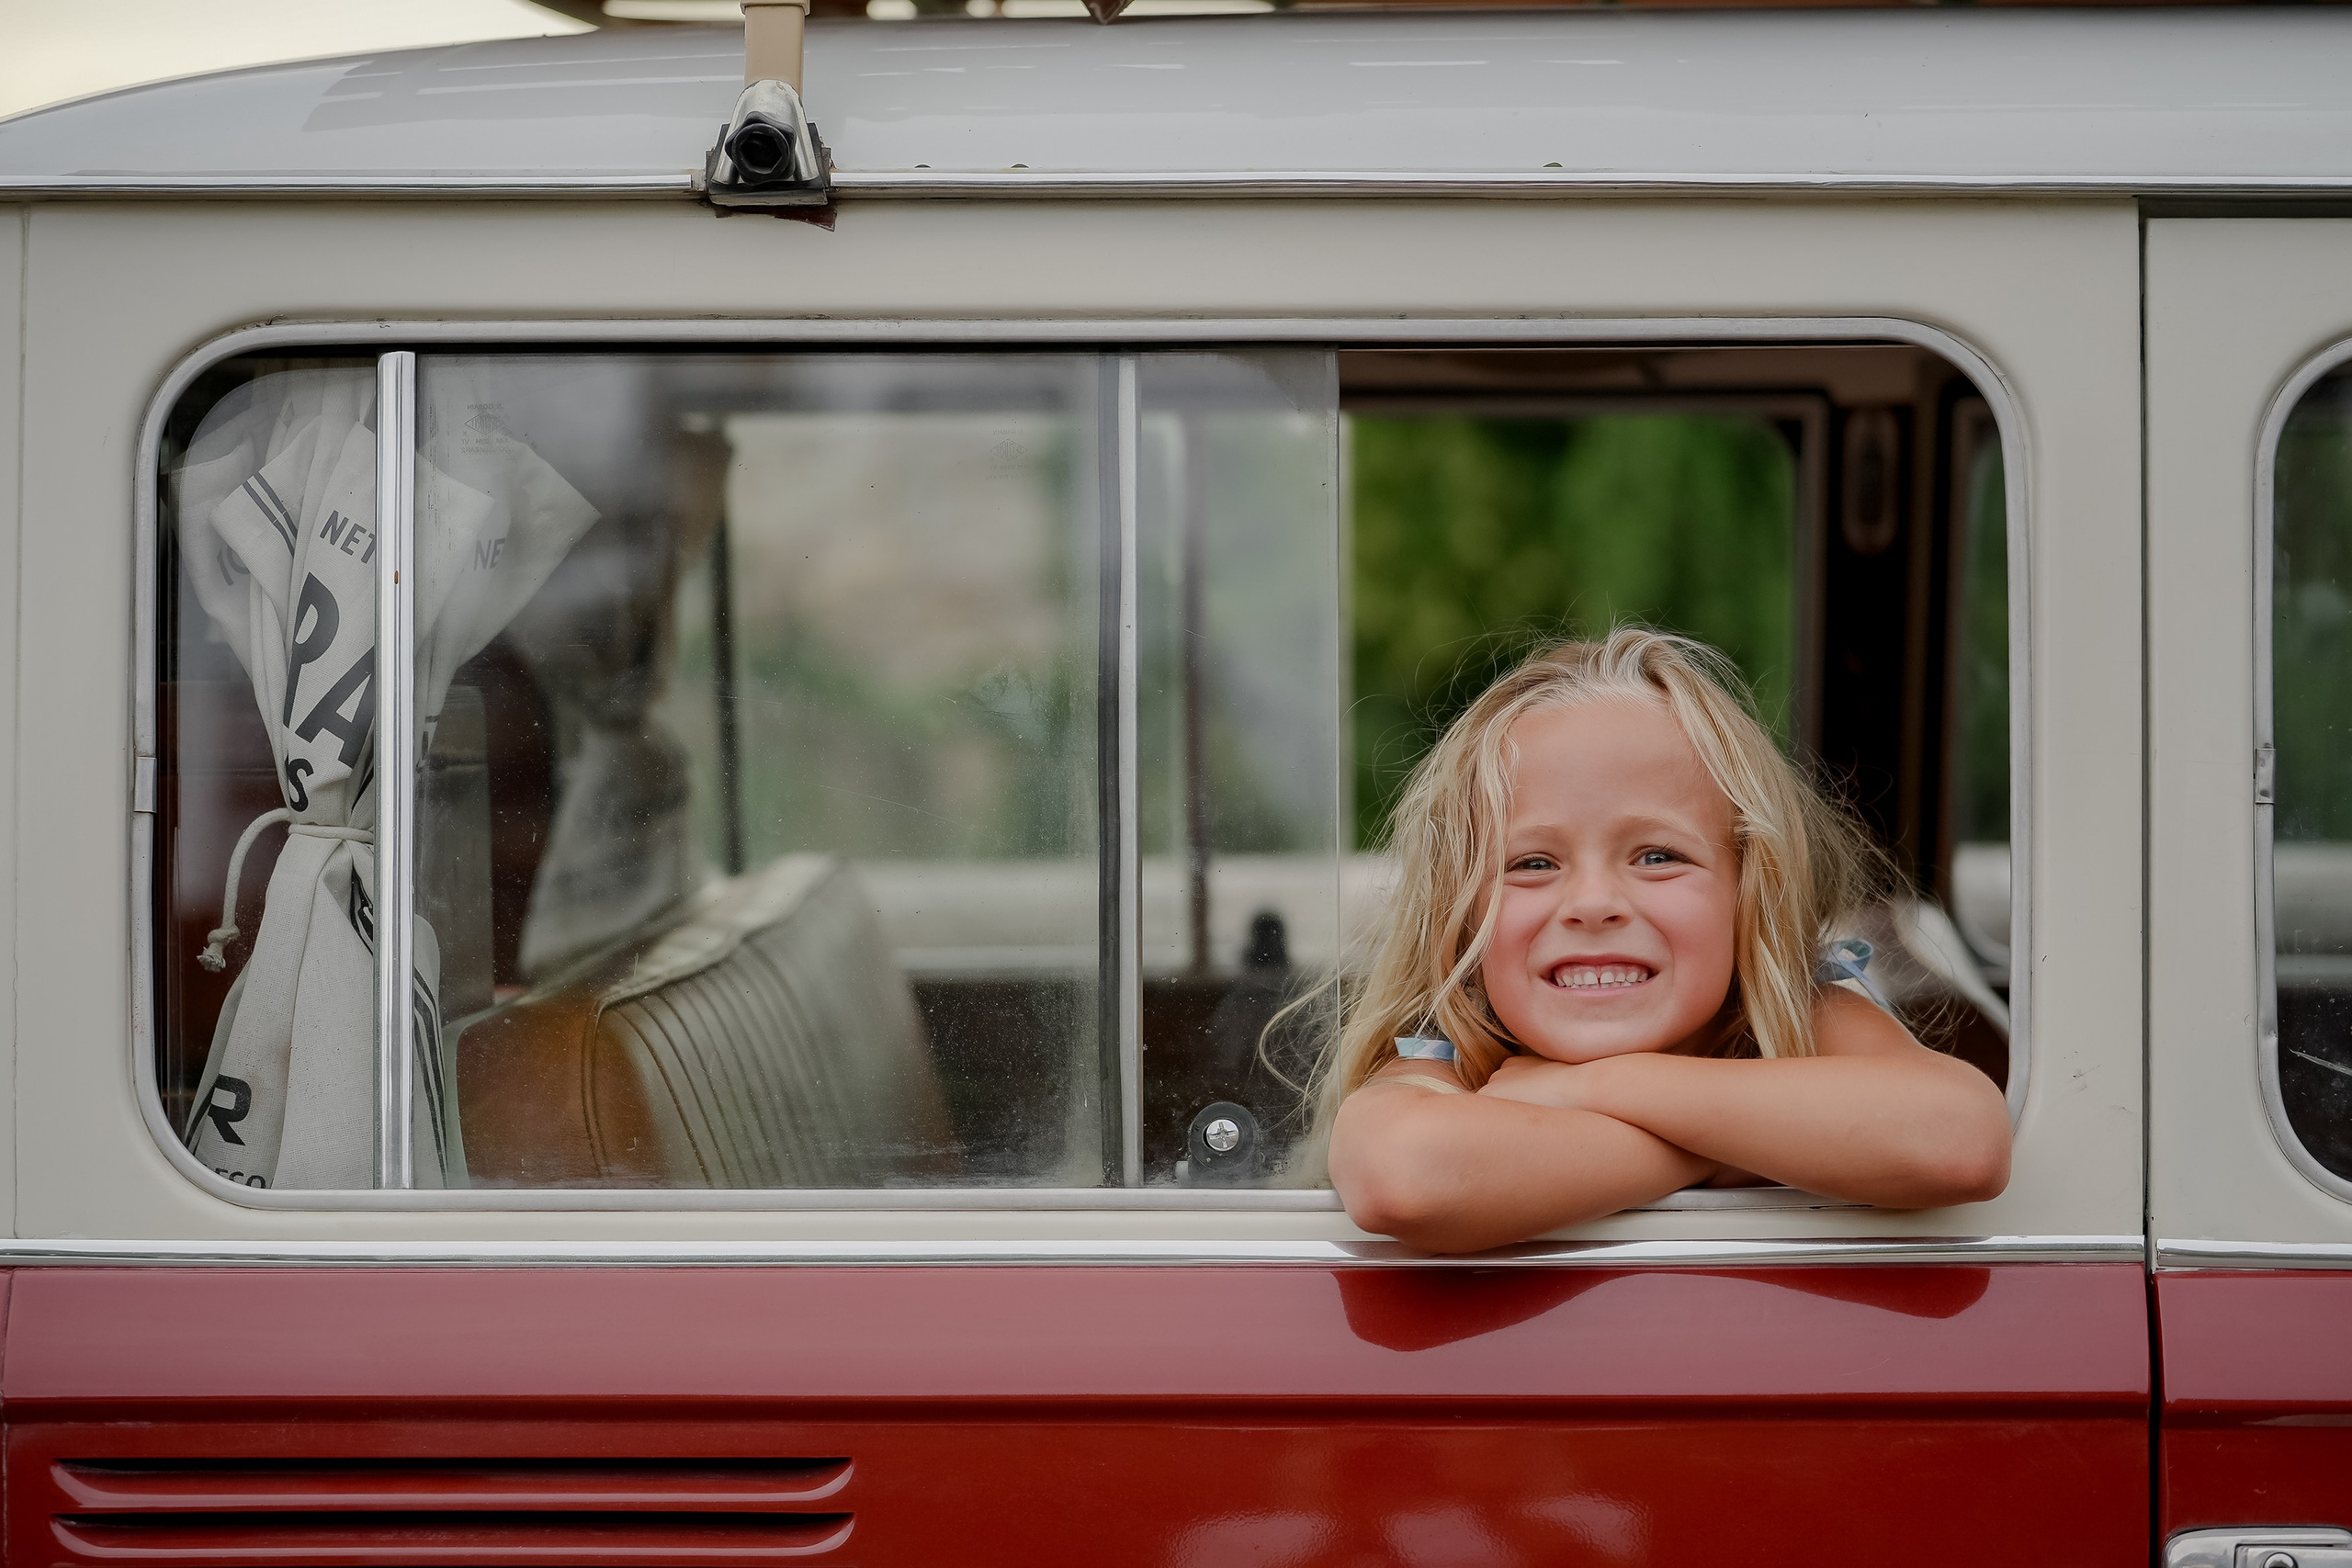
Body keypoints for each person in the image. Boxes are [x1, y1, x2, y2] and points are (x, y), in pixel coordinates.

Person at [1321, 628, 2012, 1254]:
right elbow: (1405, 1176)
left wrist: (1594, 1085)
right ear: (1463, 916)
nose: (1593, 904)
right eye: (1532, 863)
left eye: (1657, 856)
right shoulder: (1454, 1058)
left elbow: (1960, 1140)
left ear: (1750, 889)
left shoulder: (1802, 1018)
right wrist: (1729, 1148)